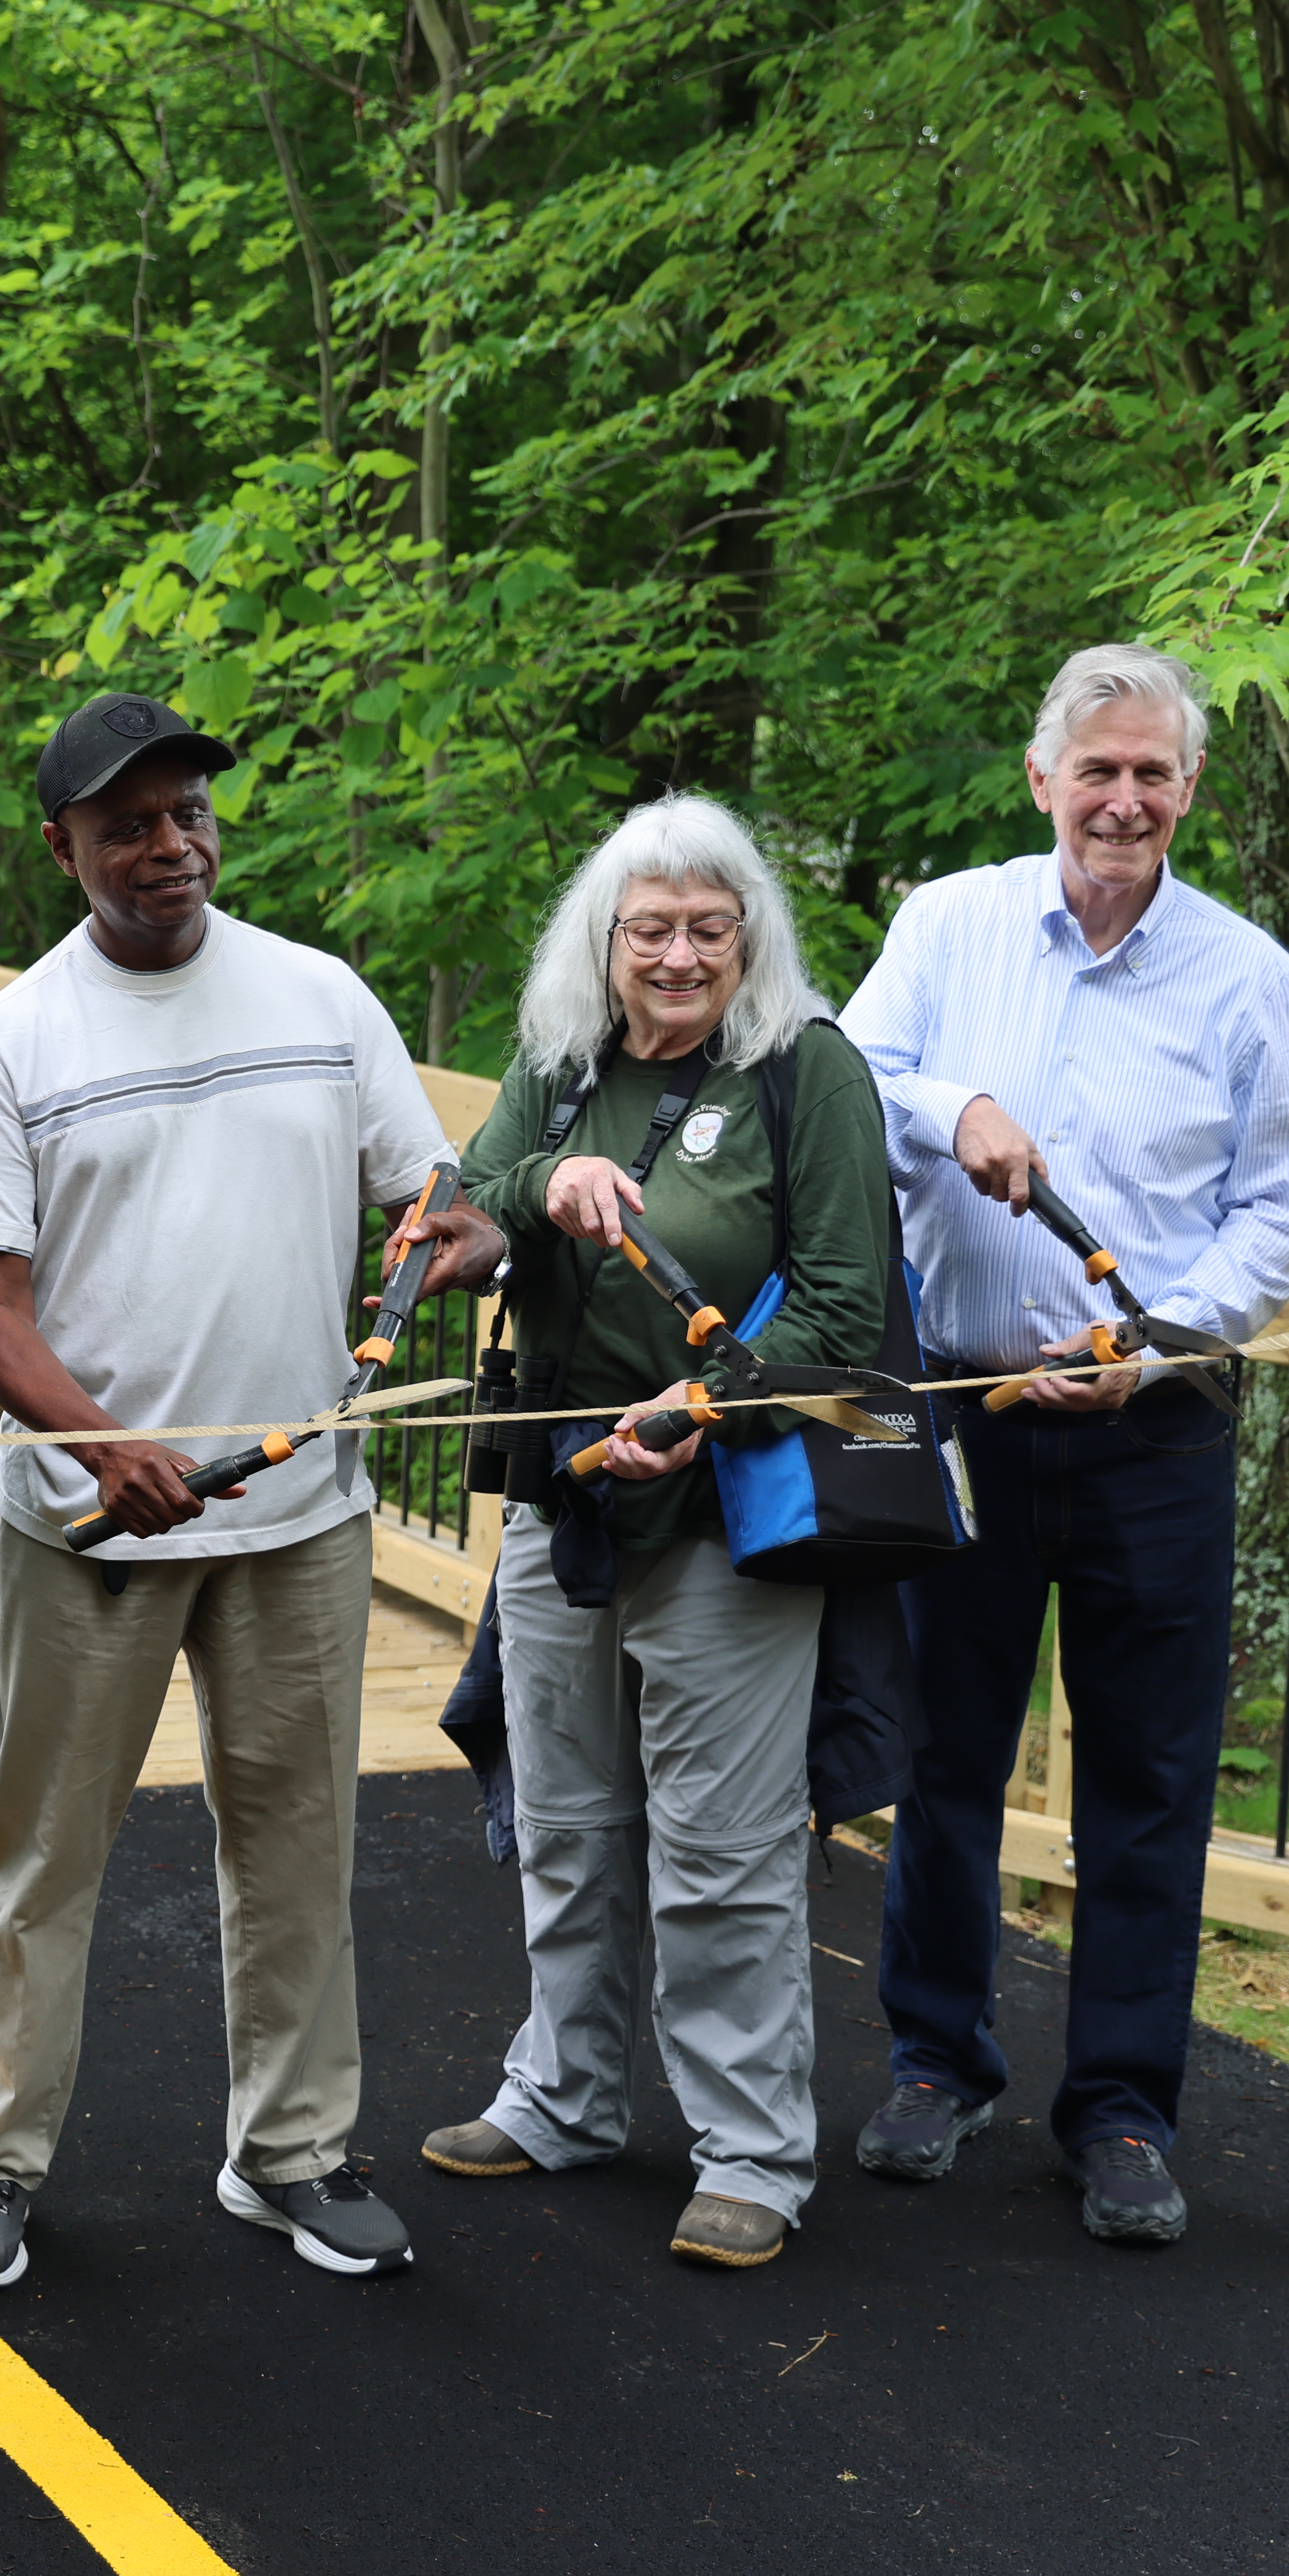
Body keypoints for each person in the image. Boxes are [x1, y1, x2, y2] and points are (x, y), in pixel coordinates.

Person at [0, 691, 497, 2293]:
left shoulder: (321, 997)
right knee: (44, 1854)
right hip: (89, 1527)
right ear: (65, 849)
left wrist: (458, 1243)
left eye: (186, 815)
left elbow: (434, 1199)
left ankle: (294, 2150)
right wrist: (108, 1445)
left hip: (298, 1525)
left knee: (299, 1843)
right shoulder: (17, 1043)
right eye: (126, 826)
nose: (166, 846)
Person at [838, 643, 1289, 2246]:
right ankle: (935, 2061)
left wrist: (1160, 1341)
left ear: (1188, 791)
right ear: (1043, 781)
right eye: (1096, 770)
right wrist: (956, 1102)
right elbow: (847, 1082)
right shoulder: (947, 925)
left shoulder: (1246, 970)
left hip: (1151, 1431)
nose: (1124, 799)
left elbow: (1283, 1204)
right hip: (963, 1417)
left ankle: (1121, 2110)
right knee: (944, 1759)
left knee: (1148, 1781)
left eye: (1153, 773)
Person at [412, 798, 893, 2269]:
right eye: (650, 929)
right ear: (604, 943)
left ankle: (751, 2146)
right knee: (567, 1825)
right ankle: (562, 2093)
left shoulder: (807, 1076)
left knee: (722, 1849)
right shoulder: (561, 1070)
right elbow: (472, 1208)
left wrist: (688, 1412)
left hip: (724, 1507)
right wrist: (519, 1205)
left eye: (707, 926)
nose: (679, 955)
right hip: (569, 1497)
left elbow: (843, 1314)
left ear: (749, 938)